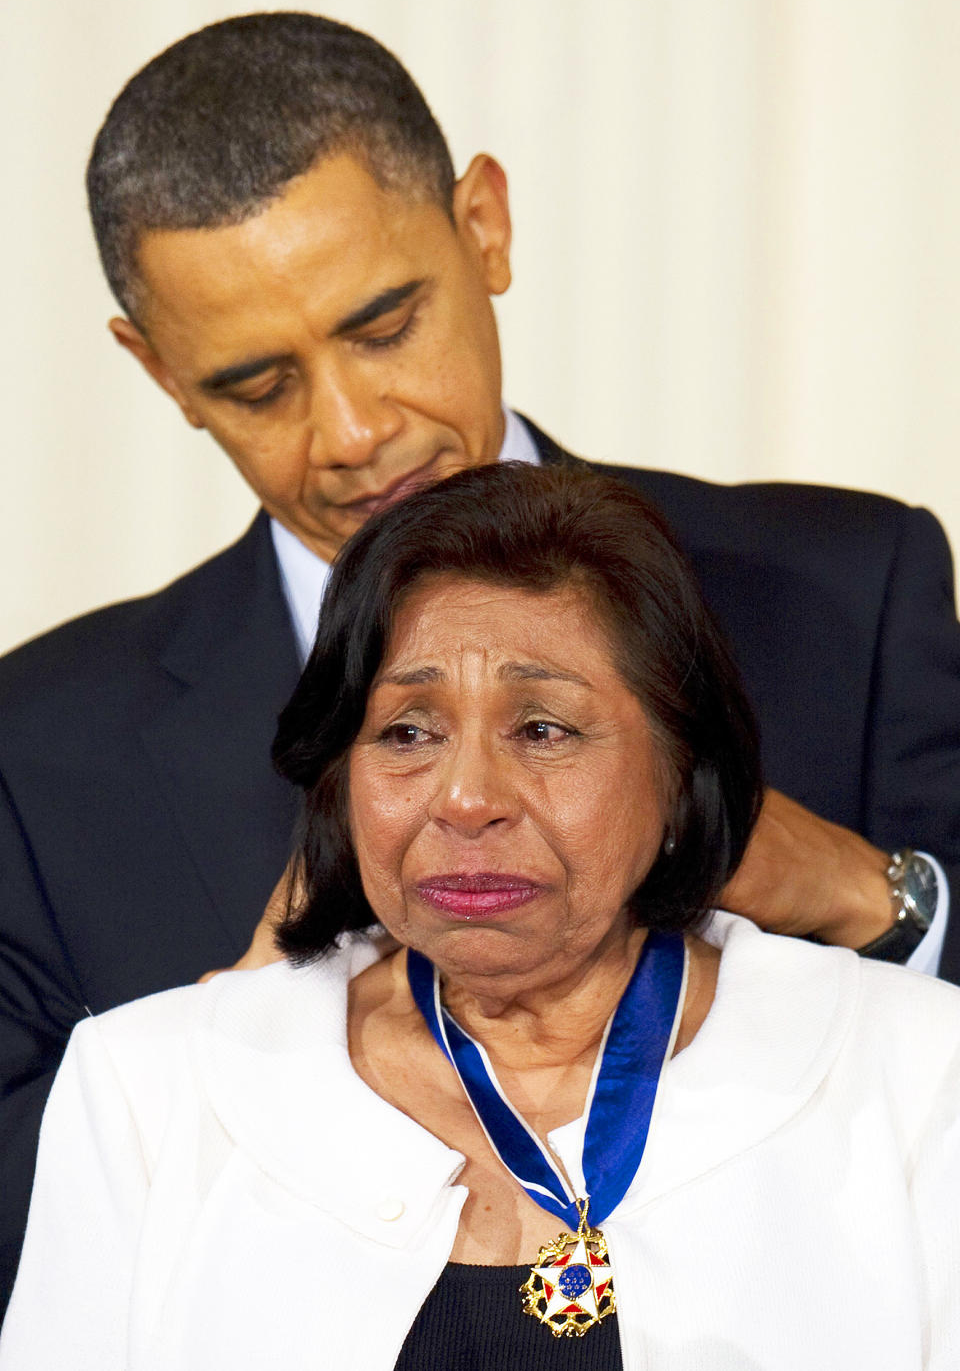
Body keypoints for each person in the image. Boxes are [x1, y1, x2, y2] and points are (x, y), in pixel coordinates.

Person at [2, 10, 960, 1314]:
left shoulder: (845, 590)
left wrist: (867, 894)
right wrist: (230, 1058)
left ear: (487, 227)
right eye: (257, 384)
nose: (351, 432)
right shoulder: (37, 754)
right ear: (158, 368)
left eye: (385, 325)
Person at [2, 463, 958, 1371]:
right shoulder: (153, 1087)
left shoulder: (917, 1071)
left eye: (543, 729)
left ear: (680, 771)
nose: (464, 799)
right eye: (407, 733)